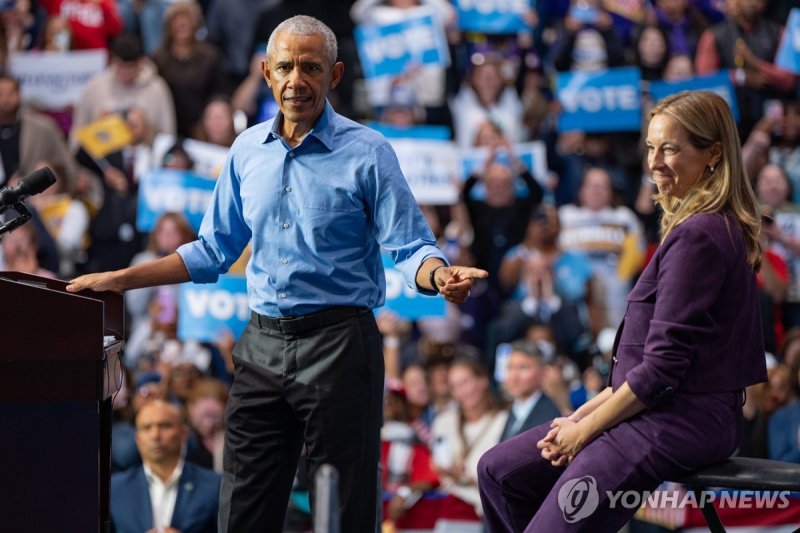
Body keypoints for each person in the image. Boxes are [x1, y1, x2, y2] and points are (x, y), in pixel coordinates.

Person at [66, 15, 487, 533]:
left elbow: (411, 246)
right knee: (241, 510)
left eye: (310, 67)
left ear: (333, 75)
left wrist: (438, 276)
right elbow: (212, 251)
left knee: (345, 512)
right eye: (285, 67)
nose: (296, 80)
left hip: (340, 346)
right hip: (261, 346)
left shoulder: (369, 152)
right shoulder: (245, 151)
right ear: (266, 73)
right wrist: (118, 279)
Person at [477, 90, 767, 531]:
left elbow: (661, 372)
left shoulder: (701, 236)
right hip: (650, 409)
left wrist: (585, 430)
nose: (654, 162)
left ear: (713, 154)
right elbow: (640, 370)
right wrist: (578, 417)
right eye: (651, 147)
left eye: (670, 148)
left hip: (677, 422)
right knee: (499, 471)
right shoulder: (697, 229)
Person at [110, 400, 221, 533]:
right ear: (137, 439)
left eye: (164, 426)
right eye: (147, 427)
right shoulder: (115, 488)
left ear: (184, 434)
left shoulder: (215, 486)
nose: (155, 435)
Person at [498, 340, 561, 442]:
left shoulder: (550, 415)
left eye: (523, 368)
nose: (514, 376)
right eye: (510, 368)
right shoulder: (512, 411)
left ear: (542, 372)